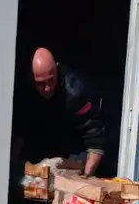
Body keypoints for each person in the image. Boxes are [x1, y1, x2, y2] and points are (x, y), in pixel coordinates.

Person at [23, 48, 108, 176]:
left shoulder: (76, 93)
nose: (47, 88)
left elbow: (95, 139)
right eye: (41, 83)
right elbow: (19, 127)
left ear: (57, 69)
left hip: (75, 149)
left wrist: (86, 177)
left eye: (51, 80)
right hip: (42, 145)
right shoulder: (24, 90)